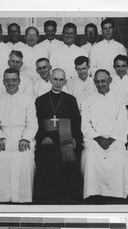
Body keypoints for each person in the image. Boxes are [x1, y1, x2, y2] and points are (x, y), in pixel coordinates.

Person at [0, 68, 38, 203]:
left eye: (14, 80)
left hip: (22, 136)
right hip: (3, 136)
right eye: (7, 80)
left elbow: (32, 124)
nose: (11, 83)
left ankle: (21, 197)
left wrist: (26, 138)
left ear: (19, 81)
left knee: (24, 156)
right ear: (3, 82)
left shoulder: (28, 100)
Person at [34, 68, 83, 204]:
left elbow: (76, 122)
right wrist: (43, 137)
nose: (58, 82)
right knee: (48, 156)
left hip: (66, 136)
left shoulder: (71, 100)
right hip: (48, 138)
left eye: (61, 80)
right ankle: (48, 198)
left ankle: (68, 198)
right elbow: (36, 122)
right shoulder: (40, 100)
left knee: (69, 158)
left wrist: (75, 139)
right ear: (50, 79)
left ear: (65, 81)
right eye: (55, 79)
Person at [81, 69, 128, 202]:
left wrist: (111, 139)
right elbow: (85, 125)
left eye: (103, 81)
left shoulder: (119, 99)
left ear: (110, 80)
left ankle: (116, 193)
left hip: (114, 139)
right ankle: (93, 192)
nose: (100, 84)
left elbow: (122, 123)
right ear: (94, 82)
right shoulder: (87, 101)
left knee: (118, 155)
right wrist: (98, 138)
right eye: (97, 81)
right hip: (95, 140)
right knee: (91, 154)